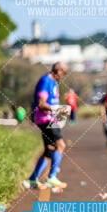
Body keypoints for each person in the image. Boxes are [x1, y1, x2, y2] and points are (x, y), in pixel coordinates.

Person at [23, 62, 69, 190]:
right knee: (61, 145)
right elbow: (41, 104)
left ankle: (32, 179)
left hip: (50, 119)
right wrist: (59, 109)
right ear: (58, 70)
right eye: (64, 73)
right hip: (45, 119)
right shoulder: (46, 81)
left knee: (49, 150)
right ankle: (51, 177)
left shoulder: (53, 82)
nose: (64, 76)